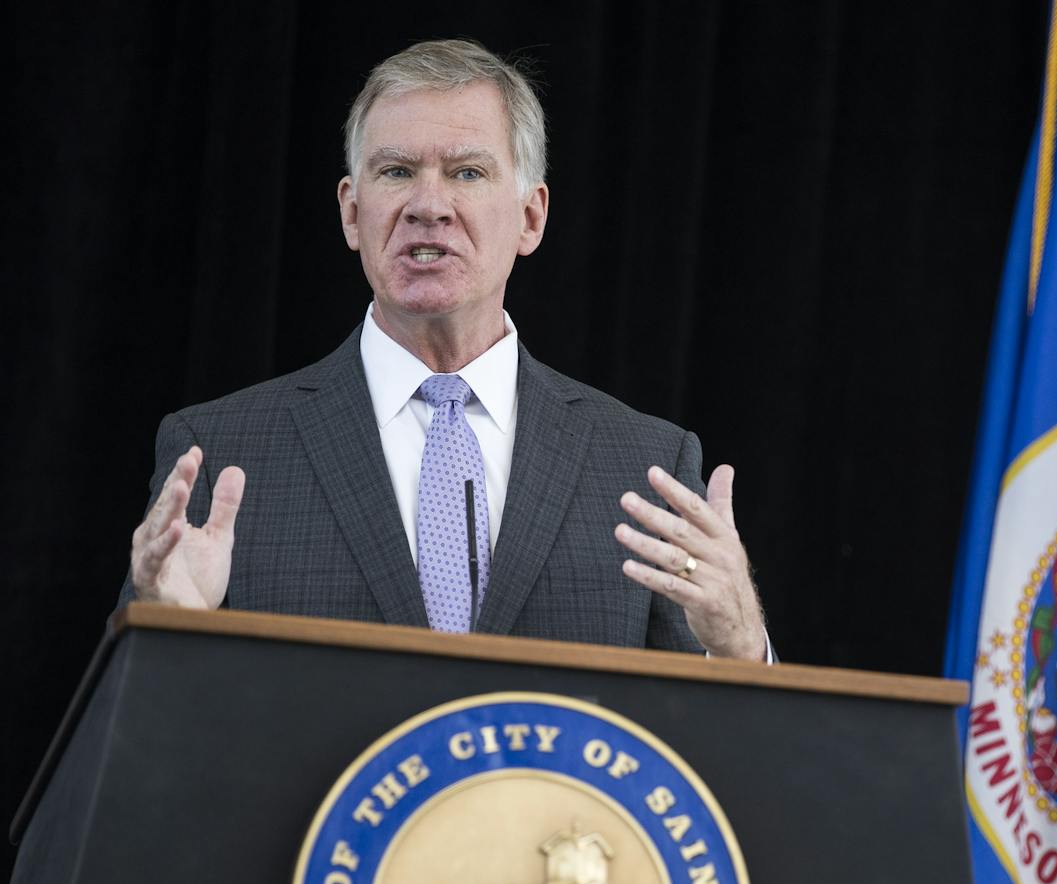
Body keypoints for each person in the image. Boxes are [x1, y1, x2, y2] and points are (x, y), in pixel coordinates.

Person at [123, 39, 767, 661]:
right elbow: (132, 745)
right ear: (352, 213)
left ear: (530, 218)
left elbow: (703, 749)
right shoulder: (220, 454)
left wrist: (738, 646)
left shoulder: (643, 465)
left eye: (467, 172)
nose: (428, 205)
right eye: (397, 171)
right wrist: (165, 639)